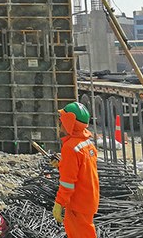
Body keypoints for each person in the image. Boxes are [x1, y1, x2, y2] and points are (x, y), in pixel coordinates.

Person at [52, 101, 100, 238]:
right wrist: (63, 164)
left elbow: (68, 182)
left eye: (61, 121)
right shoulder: (87, 143)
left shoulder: (70, 148)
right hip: (88, 199)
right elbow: (81, 170)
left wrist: (59, 202)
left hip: (78, 203)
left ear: (69, 122)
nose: (60, 125)